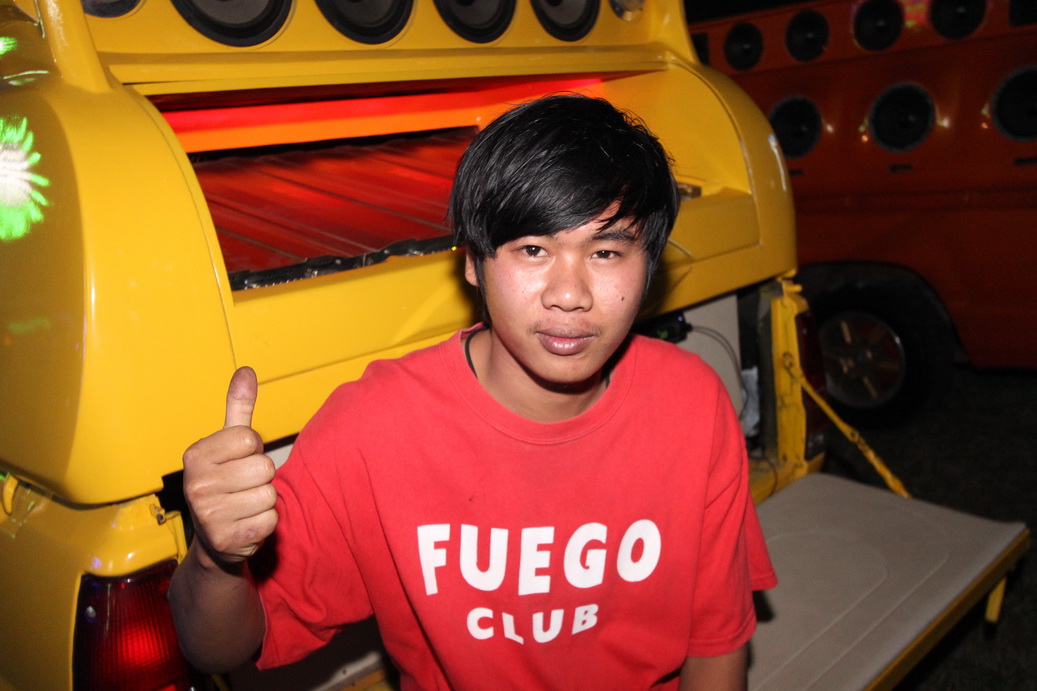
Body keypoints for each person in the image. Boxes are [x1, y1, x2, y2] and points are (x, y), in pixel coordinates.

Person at [169, 93, 776, 690]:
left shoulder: (692, 404)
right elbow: (218, 647)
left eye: (607, 251)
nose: (570, 295)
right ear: (472, 263)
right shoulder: (375, 428)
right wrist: (215, 559)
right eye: (533, 249)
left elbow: (717, 645)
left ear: (649, 268)